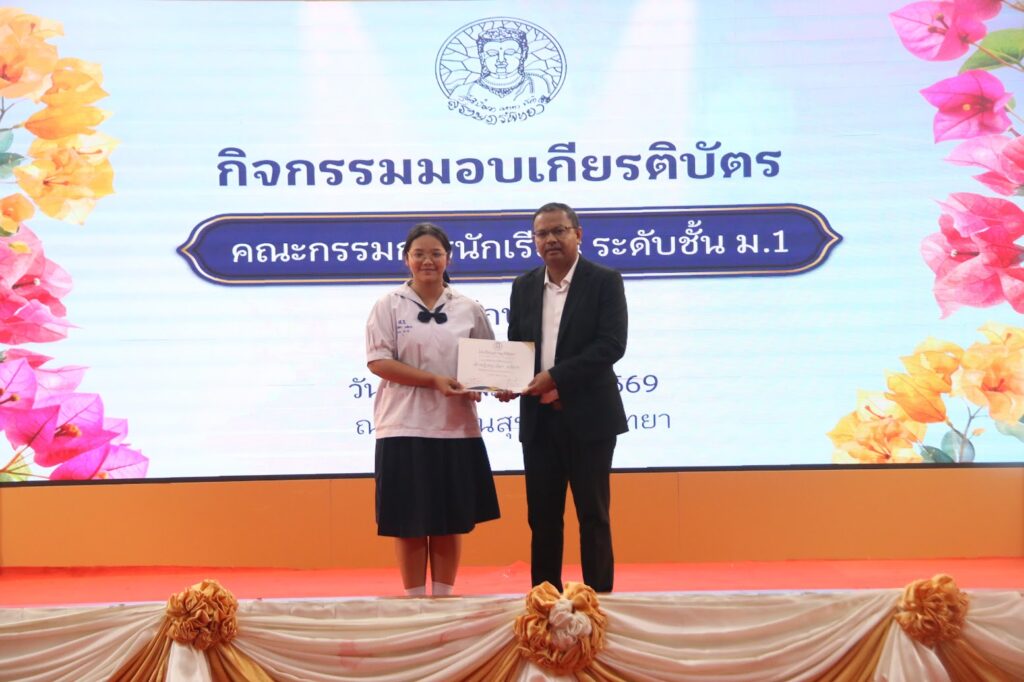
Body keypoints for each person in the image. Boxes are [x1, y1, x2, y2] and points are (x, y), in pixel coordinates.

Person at [365, 222, 500, 596]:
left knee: (449, 520)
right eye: (419, 254)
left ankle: (442, 601)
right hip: (402, 426)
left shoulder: (469, 308)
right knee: (408, 521)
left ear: (448, 259)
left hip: (455, 428)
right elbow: (378, 362)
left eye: (436, 254)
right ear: (406, 259)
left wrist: (487, 386)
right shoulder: (388, 305)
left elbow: (487, 365)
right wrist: (434, 381)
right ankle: (414, 604)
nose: (428, 261)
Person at [502, 202, 628, 593]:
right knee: (542, 519)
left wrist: (554, 378)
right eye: (542, 233)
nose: (551, 239)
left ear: (578, 234)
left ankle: (599, 602)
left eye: (559, 230)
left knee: (594, 515)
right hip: (539, 421)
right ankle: (543, 604)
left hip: (590, 418)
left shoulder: (604, 280)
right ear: (534, 241)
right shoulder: (523, 285)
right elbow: (517, 345)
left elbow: (611, 345)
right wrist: (507, 379)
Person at [449, 27, 551, 107]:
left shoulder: (536, 84)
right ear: (482, 57)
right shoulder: (464, 92)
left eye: (510, 52)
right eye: (492, 53)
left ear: (523, 54)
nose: (501, 60)